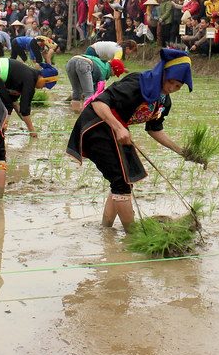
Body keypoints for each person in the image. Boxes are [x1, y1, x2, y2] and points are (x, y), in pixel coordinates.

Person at [66, 49, 200, 232]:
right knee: (121, 182)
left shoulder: (163, 102)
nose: (171, 88)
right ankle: (134, 235)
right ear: (163, 74)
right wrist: (119, 127)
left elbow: (155, 130)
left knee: (122, 181)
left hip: (115, 130)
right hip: (98, 125)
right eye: (170, 82)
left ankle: (106, 230)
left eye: (178, 86)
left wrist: (183, 151)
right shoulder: (138, 82)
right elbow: (98, 102)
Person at [0, 57, 56, 137]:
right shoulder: (30, 81)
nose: (43, 87)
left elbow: (15, 103)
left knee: (7, 103)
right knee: (6, 105)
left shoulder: (25, 77)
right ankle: (0, 132)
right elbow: (24, 110)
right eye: (45, 85)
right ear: (43, 78)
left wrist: (26, 122)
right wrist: (32, 131)